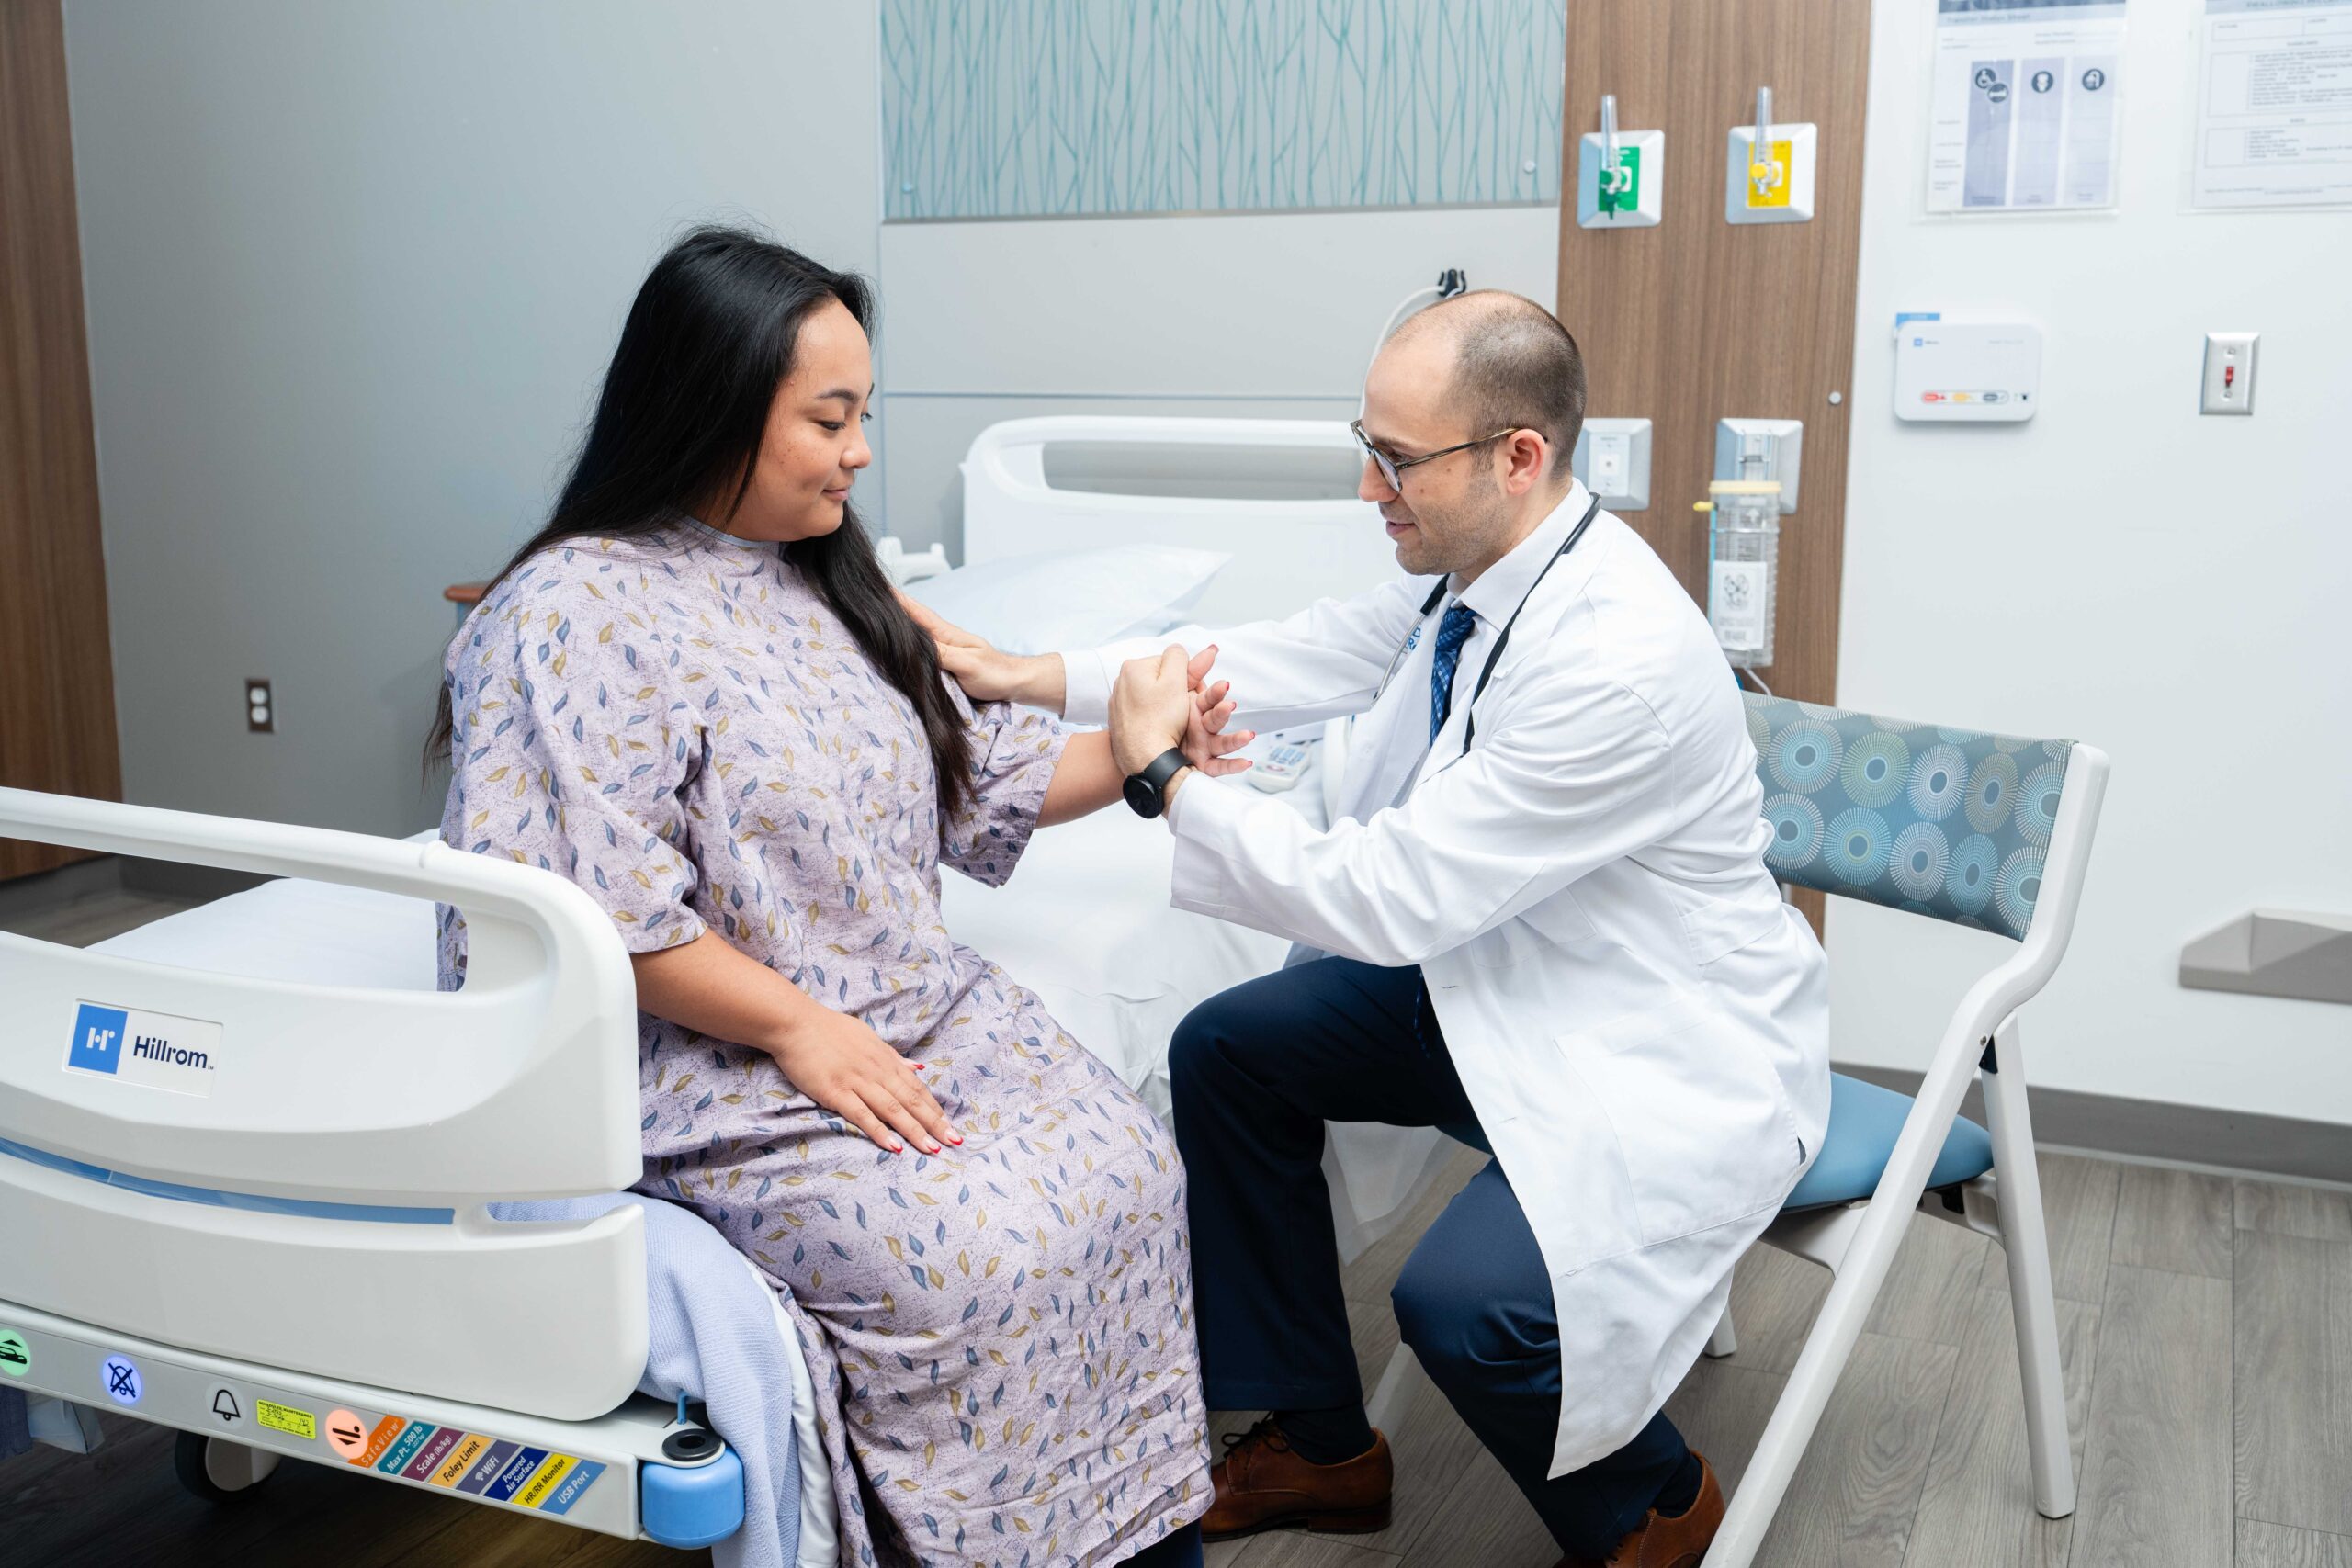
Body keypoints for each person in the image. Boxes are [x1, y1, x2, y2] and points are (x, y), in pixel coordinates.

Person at [914, 291, 1830, 1568]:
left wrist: (1159, 782)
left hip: (1652, 1041)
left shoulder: (1612, 656)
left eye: (1396, 460)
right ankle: (1322, 1441)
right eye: (1367, 443)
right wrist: (1027, 672)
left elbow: (1383, 897)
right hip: (1505, 982)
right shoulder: (1481, 578)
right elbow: (1289, 651)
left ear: (1517, 456)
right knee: (1229, 1049)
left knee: (1460, 1308)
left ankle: (1654, 1506)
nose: (1366, 487)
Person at [426, 227, 1250, 1568]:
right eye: (831, 418)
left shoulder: (829, 576)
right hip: (703, 1050)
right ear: (712, 404)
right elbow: (586, 906)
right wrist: (800, 1030)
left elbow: (976, 777)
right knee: (968, 1260)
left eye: (865, 414)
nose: (861, 451)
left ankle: (1132, 1542)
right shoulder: (573, 608)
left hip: (910, 1007)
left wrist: (1148, 752)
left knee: (1128, 1177)